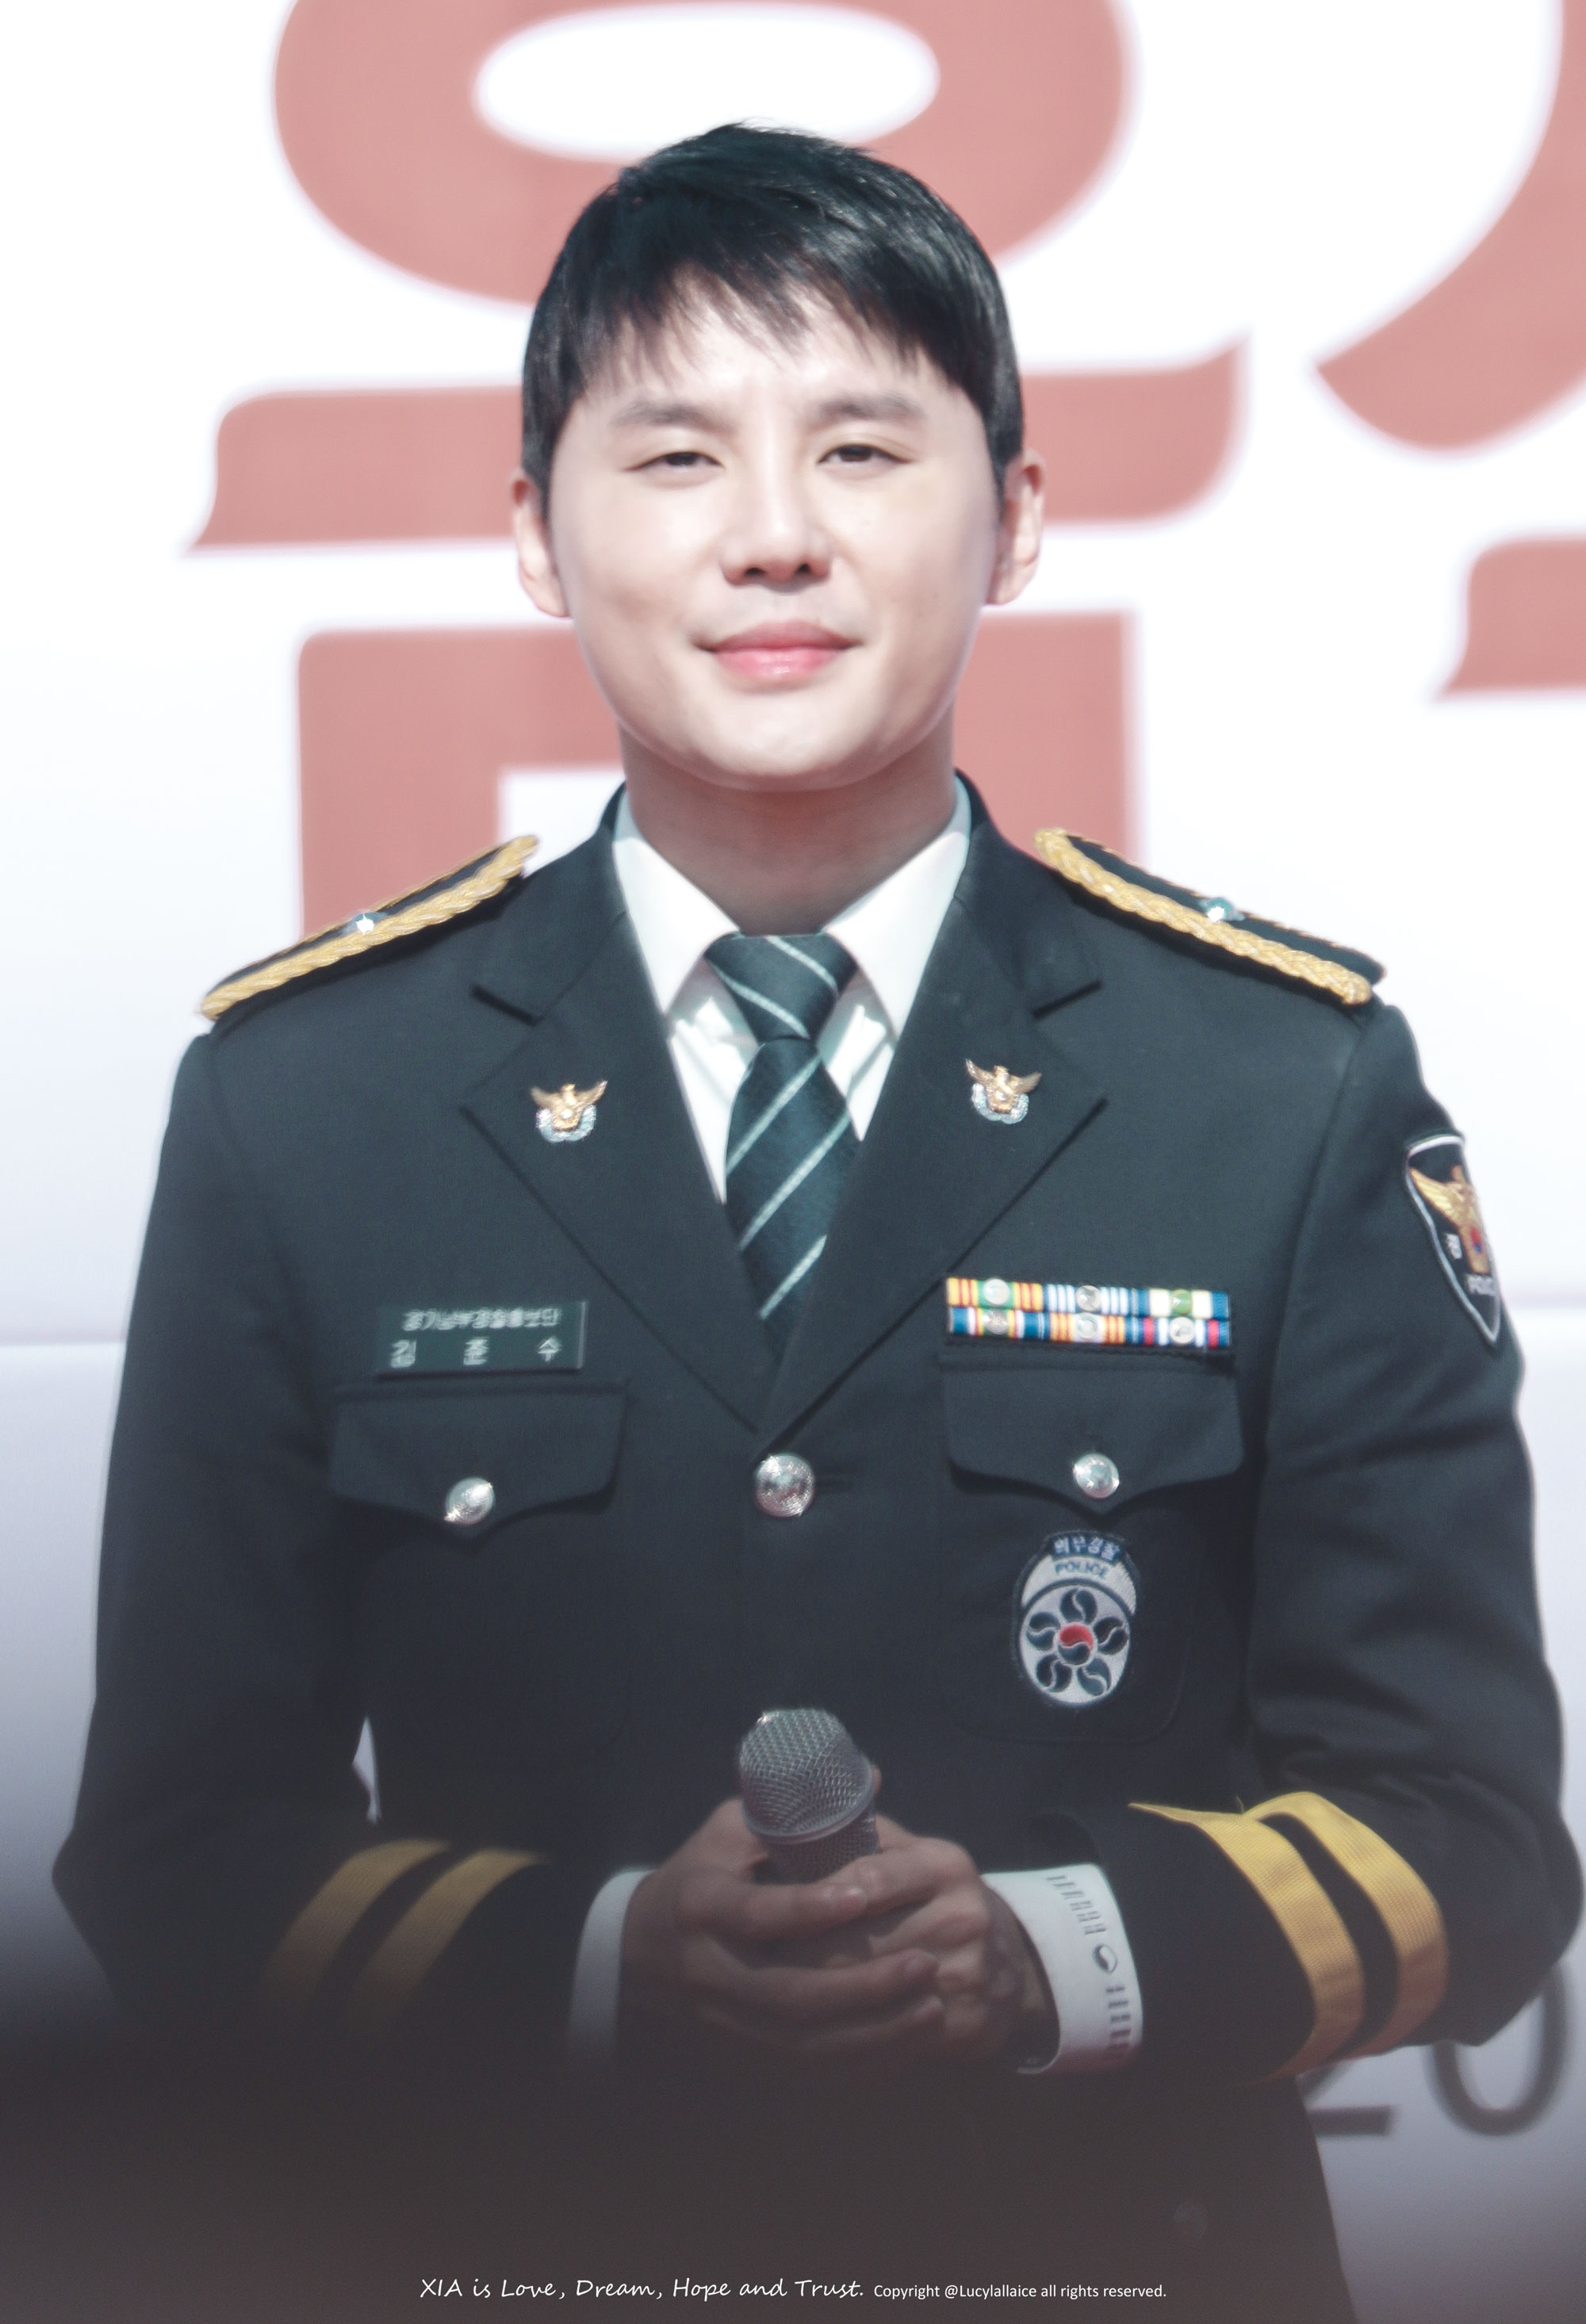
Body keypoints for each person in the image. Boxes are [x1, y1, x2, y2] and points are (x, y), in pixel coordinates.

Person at [57, 127, 1577, 2317]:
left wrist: (1048, 1958)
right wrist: (601, 1966)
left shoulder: (1280, 1086)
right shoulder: (308, 1104)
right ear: (535, 535)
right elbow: (177, 1847)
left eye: (862, 448)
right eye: (676, 456)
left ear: (1015, 519)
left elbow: (1471, 1836)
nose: (774, 533)